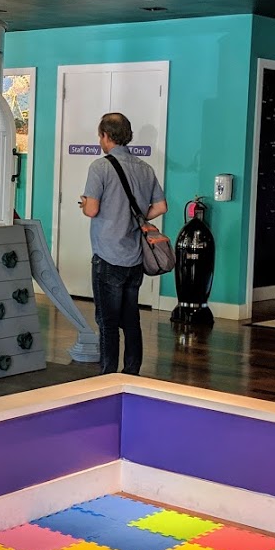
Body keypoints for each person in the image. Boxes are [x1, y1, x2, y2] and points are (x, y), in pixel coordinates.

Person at [80, 112, 166, 375]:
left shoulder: (100, 167)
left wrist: (84, 203)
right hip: (134, 256)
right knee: (131, 320)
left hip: (108, 254)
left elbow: (92, 210)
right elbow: (161, 206)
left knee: (107, 322)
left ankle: (108, 375)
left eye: (100, 136)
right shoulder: (145, 168)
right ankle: (131, 373)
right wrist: (137, 218)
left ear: (106, 135)